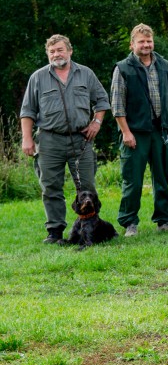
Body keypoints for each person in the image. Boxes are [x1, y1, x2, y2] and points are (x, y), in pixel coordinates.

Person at [20, 35, 110, 244]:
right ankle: (55, 231)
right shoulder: (38, 77)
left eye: (60, 50)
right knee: (51, 186)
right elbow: (27, 111)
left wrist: (96, 122)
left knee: (87, 185)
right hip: (50, 140)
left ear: (70, 51)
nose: (56, 54)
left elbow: (102, 101)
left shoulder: (85, 74)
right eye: (51, 51)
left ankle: (92, 229)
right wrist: (27, 138)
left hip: (81, 139)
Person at [111, 24, 168, 236]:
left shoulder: (164, 65)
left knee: (162, 176)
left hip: (159, 130)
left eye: (149, 41)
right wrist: (125, 132)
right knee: (133, 179)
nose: (146, 45)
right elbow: (117, 105)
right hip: (134, 132)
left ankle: (163, 219)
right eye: (141, 41)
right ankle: (129, 222)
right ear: (132, 44)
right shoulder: (123, 68)